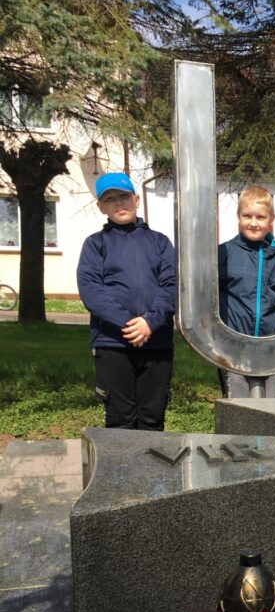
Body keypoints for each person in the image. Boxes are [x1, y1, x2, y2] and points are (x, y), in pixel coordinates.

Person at [76, 172, 175, 430]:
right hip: (112, 343)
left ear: (136, 199)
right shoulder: (95, 245)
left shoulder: (160, 243)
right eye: (110, 199)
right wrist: (129, 323)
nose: (119, 203)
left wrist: (150, 322)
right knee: (120, 419)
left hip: (156, 342)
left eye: (124, 196)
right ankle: (119, 460)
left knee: (152, 418)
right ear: (101, 206)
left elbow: (172, 286)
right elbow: (91, 291)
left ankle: (151, 460)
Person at [217, 186, 275, 398]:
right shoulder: (224, 253)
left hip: (269, 348)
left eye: (260, 217)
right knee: (239, 408)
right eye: (247, 216)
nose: (253, 223)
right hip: (233, 348)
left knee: (267, 407)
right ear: (238, 216)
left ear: (271, 219)